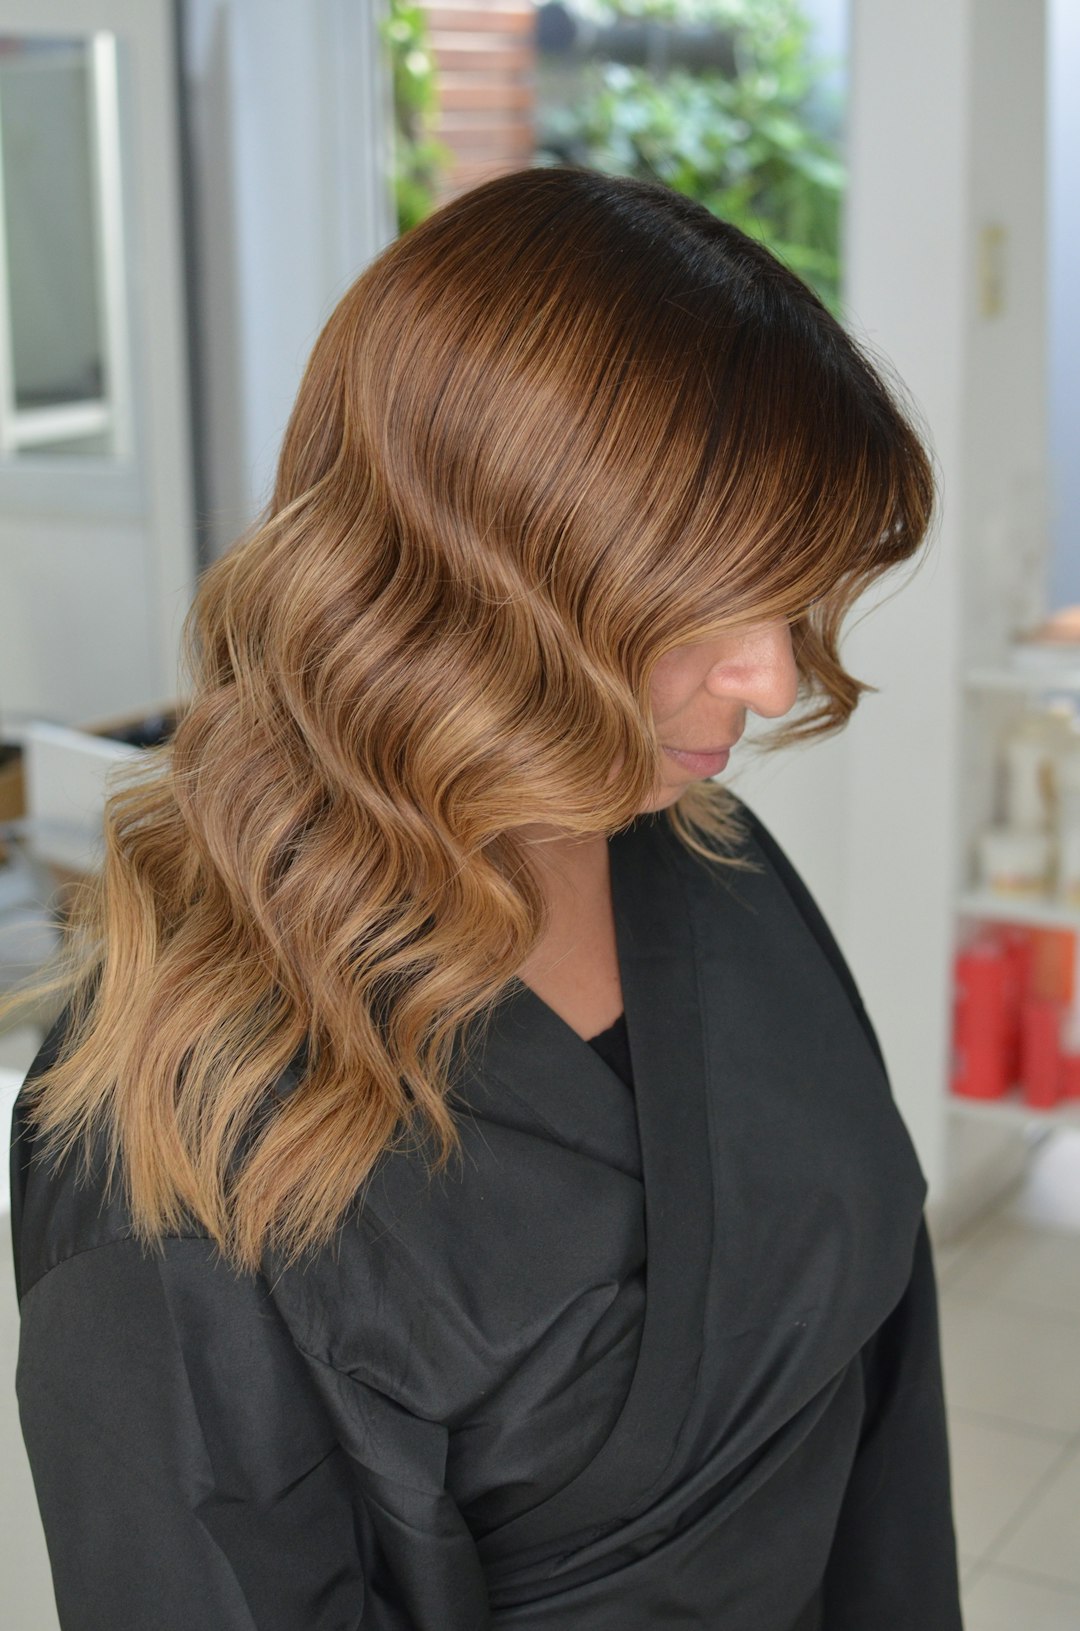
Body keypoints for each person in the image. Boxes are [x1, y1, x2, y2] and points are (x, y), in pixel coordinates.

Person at [6, 165, 963, 1629]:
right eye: (709, 594)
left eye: (793, 591)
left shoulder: (711, 865)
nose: (771, 676)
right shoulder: (174, 1146)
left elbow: (881, 1387)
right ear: (479, 568)